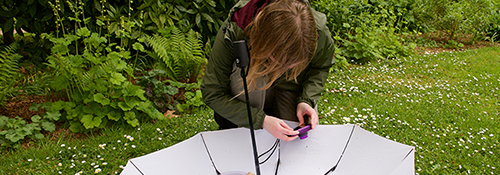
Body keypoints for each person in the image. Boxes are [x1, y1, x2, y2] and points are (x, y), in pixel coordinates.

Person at [201, 0, 334, 141]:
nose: (288, 68)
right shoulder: (237, 27)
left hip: (290, 86)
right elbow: (212, 92)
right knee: (245, 71)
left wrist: (306, 100)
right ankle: (240, 130)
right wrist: (261, 120)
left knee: (294, 138)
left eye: (295, 64)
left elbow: (320, 67)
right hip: (254, 82)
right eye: (280, 61)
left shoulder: (316, 31)